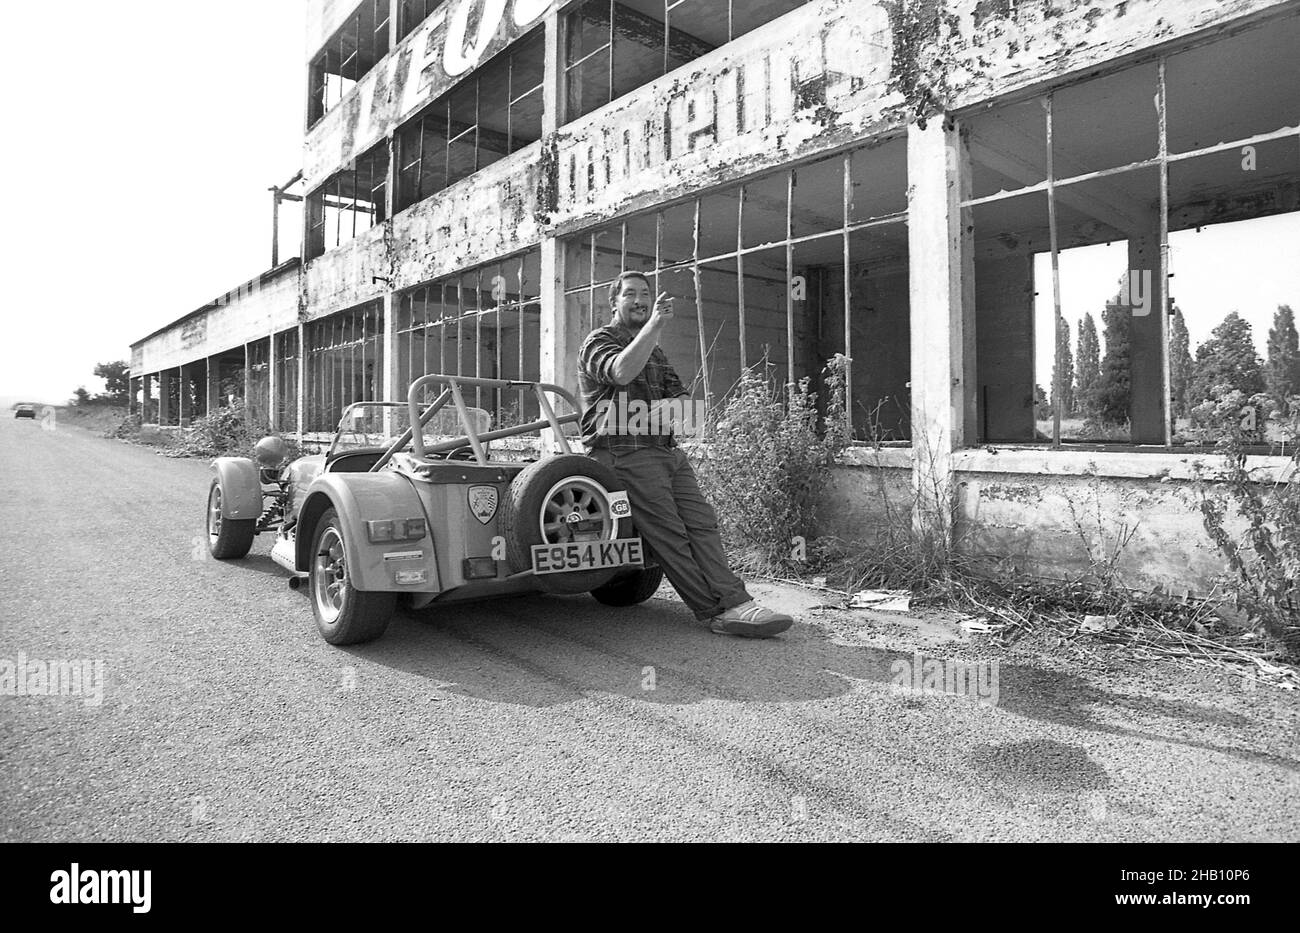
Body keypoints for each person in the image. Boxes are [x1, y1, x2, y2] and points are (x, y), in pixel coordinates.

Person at [577, 270, 794, 638]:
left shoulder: (656, 352)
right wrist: (656, 326)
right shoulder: (600, 340)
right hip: (624, 452)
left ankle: (736, 600)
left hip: (665, 451)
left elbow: (681, 398)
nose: (639, 300)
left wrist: (675, 406)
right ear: (614, 302)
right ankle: (714, 612)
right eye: (629, 294)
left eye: (644, 293)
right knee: (670, 534)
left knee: (702, 524)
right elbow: (621, 372)